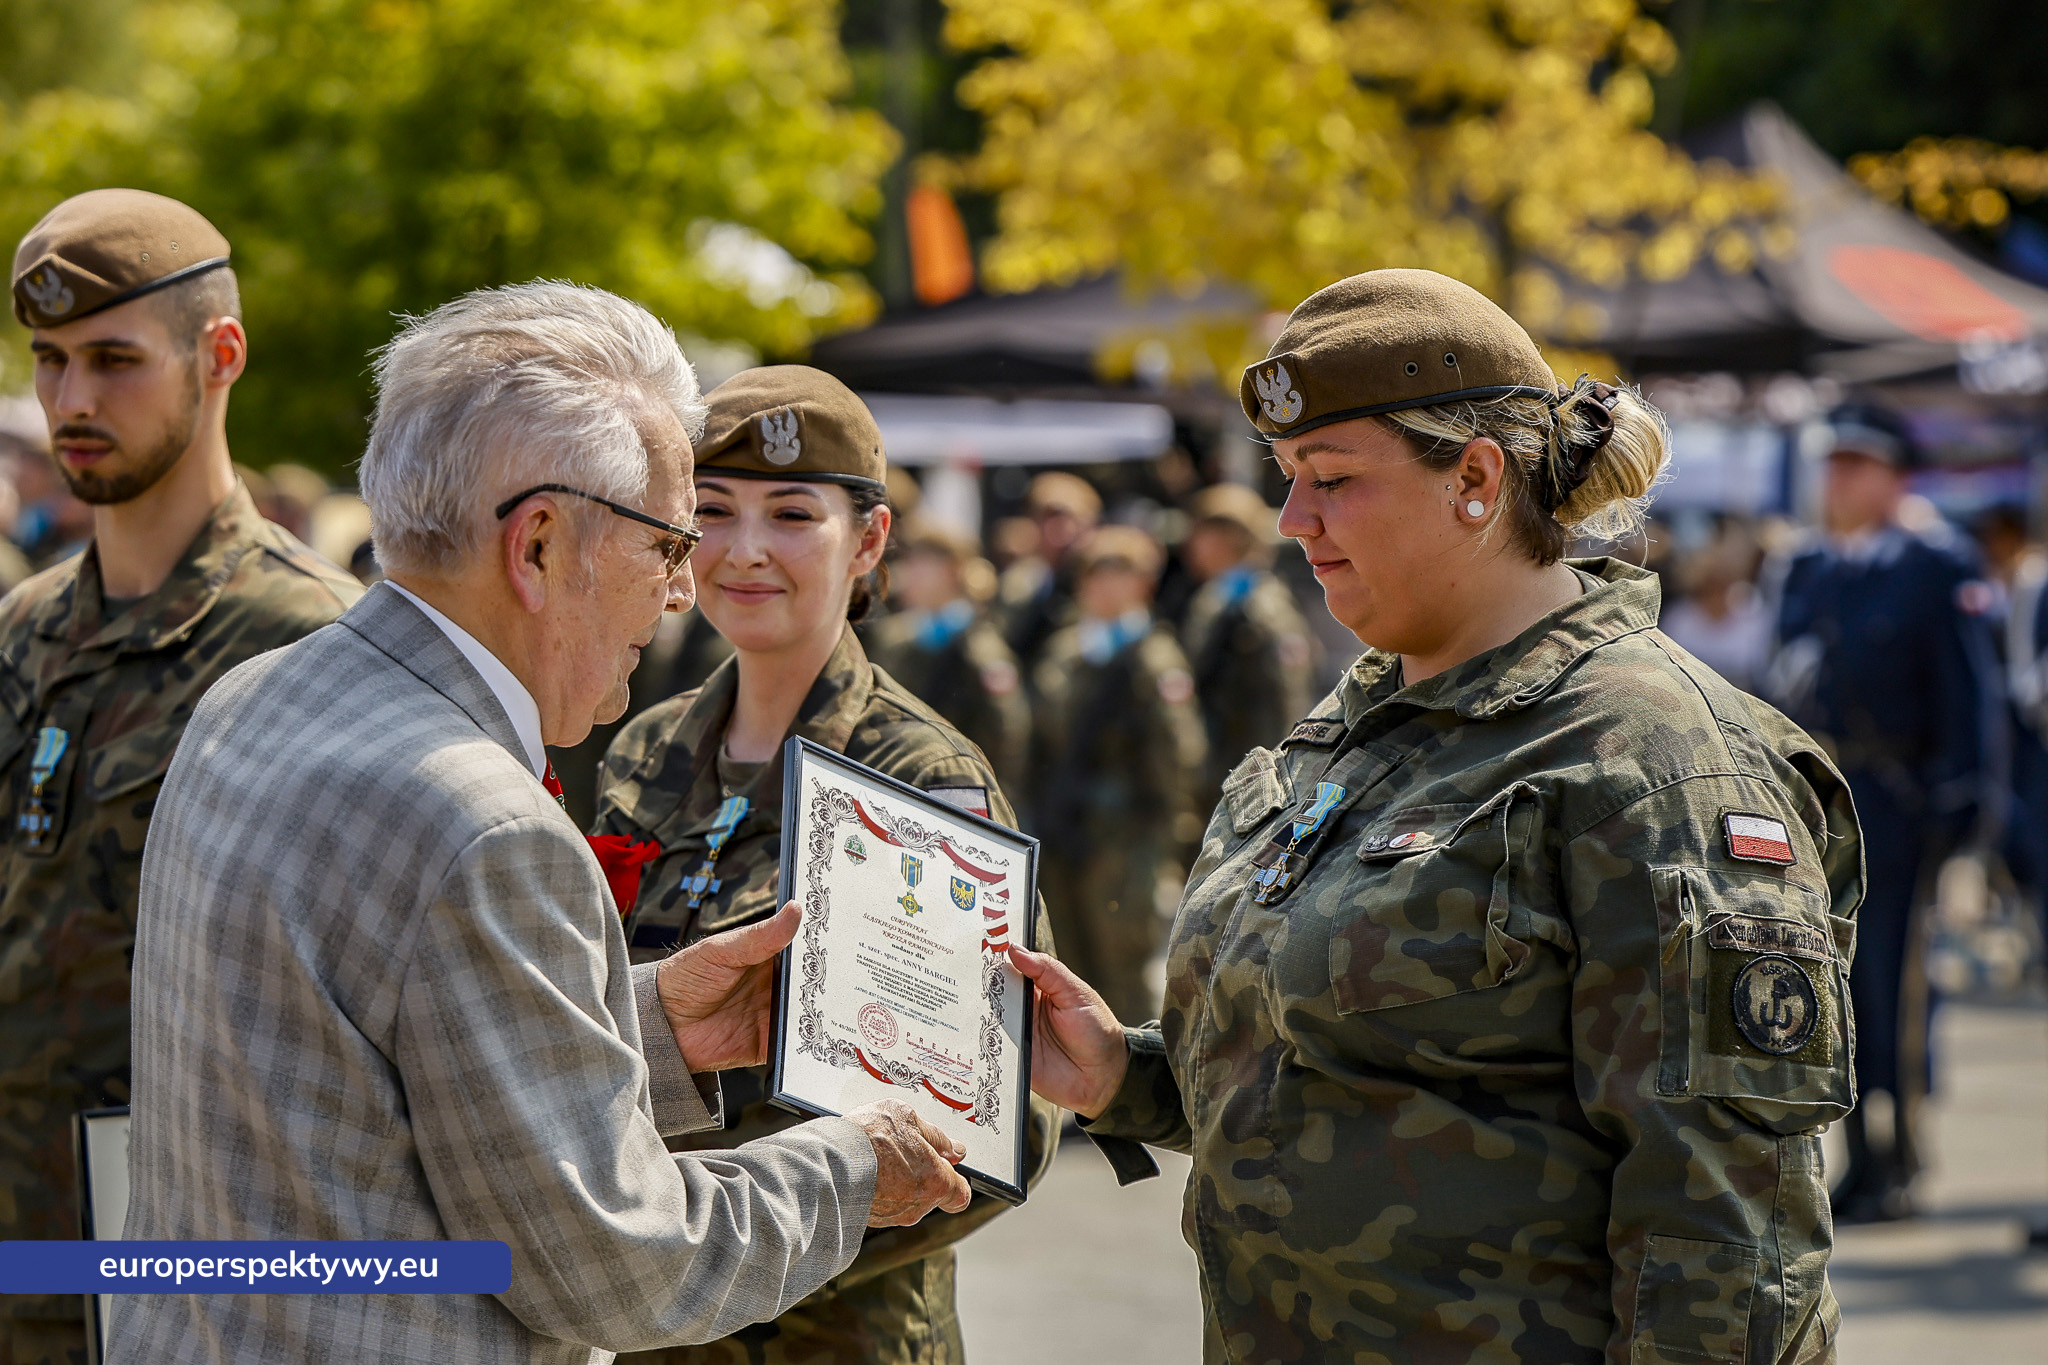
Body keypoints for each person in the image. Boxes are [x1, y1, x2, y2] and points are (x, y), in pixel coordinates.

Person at [1007, 269, 1862, 1364]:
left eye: (1329, 478)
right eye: (1284, 477)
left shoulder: (1654, 764)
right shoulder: (1364, 714)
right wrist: (1122, 1079)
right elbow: (1368, 1079)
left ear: (1472, 477)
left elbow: (1727, 1239)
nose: (1290, 519)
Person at [114, 286, 973, 1364]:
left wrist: (650, 1026)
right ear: (537, 547)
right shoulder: (484, 825)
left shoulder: (254, 696)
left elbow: (368, 1074)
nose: (678, 593)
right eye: (671, 540)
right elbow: (614, 1270)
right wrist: (853, 1167)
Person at [589, 365, 1057, 1365]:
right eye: (711, 513)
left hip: (826, 1336)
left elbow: (1013, 1117)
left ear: (869, 541)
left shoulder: (915, 778)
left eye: (792, 515)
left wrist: (755, 1259)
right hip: (645, 1323)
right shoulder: (646, 748)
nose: (746, 552)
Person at [1, 189, 364, 1365]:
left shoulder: (313, 645)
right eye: (50, 362)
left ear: (220, 357)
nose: (70, 402)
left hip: (190, 1281)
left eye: (113, 360)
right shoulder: (22, 632)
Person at [1763, 403, 2003, 1223]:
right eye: (1834, 465)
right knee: (1826, 980)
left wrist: (1964, 803)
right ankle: (1856, 1152)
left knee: (1892, 980)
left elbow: (1972, 693)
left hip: (1899, 804)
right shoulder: (1812, 568)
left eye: (1858, 466)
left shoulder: (1935, 562)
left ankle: (1896, 1152)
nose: (1840, 482)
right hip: (1821, 805)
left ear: (1896, 476)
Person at [1030, 525, 1207, 1025]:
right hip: (1067, 827)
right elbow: (1041, 739)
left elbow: (1178, 758)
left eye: (1119, 575)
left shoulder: (1153, 659)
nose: (1104, 587)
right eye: (1095, 575)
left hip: (1129, 837)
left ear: (1143, 585)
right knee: (1066, 962)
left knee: (1125, 966)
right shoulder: (1066, 653)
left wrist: (1164, 842)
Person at [1177, 482, 1319, 812]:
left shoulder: (1261, 607)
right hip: (1217, 773)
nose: (1191, 545)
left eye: (1201, 533)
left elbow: (1286, 699)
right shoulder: (1215, 598)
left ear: (1230, 537)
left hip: (1249, 782)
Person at [865, 515, 1030, 796]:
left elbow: (1007, 733)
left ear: (954, 571)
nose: (909, 575)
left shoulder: (980, 648)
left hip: (957, 787)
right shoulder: (895, 638)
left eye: (924, 565)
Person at [994, 470, 1100, 672]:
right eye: (1047, 519)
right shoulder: (1019, 583)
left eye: (1070, 520)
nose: (1059, 533)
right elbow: (999, 635)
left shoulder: (1106, 585)